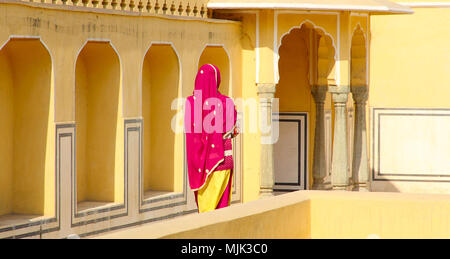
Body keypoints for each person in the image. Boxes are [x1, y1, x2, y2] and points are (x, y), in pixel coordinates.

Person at [185, 64, 238, 213]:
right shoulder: (226, 102)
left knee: (205, 210)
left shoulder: (190, 103)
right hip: (222, 162)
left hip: (199, 167)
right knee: (220, 210)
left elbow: (192, 135)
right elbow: (234, 131)